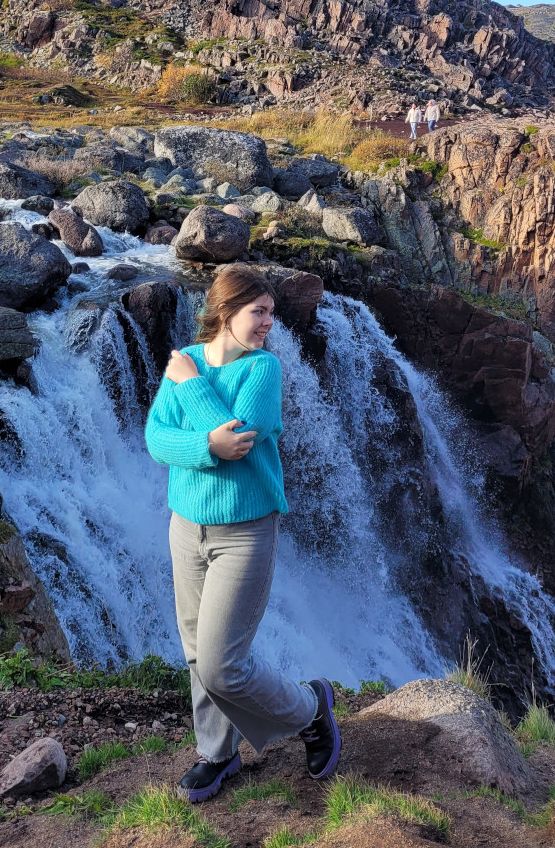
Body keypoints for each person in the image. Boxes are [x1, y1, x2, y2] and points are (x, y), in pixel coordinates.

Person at [144, 265, 342, 803]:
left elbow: (242, 440)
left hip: (245, 531)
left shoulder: (262, 370)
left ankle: (311, 710)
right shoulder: (185, 357)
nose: (268, 324)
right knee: (194, 652)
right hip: (185, 525)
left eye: (271, 313)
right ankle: (217, 753)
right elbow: (157, 440)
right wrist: (205, 447)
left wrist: (191, 388)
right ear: (226, 311)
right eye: (259, 312)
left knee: (222, 663)